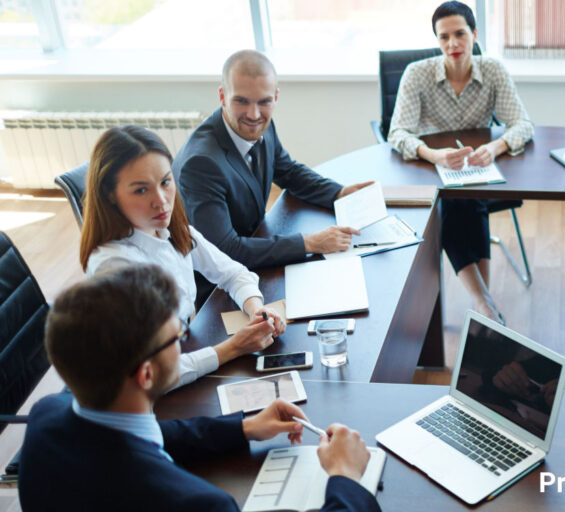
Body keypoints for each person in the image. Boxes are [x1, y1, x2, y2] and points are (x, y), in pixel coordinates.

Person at [18, 265, 380, 511]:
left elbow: (135, 437)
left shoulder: (45, 417)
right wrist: (345, 477)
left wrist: (242, 428)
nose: (183, 343)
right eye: (176, 337)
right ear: (146, 375)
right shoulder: (197, 505)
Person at [79, 125, 284, 388]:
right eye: (141, 190)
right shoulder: (114, 266)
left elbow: (233, 272)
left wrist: (258, 310)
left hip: (186, 351)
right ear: (110, 196)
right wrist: (234, 348)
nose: (162, 201)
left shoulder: (169, 228)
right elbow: (153, 375)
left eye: (165, 182)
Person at [387, 1, 534, 323]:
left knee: (468, 199)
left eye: (460, 34)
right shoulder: (417, 73)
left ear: (474, 34)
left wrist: (495, 147)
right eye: (444, 37)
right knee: (456, 202)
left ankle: (483, 306)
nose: (452, 44)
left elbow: (523, 125)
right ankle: (485, 304)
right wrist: (433, 154)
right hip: (428, 169)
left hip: (476, 167)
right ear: (437, 40)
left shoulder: (493, 70)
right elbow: (397, 133)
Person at [174, 49, 373, 269]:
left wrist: (339, 193)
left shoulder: (262, 127)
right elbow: (225, 250)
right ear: (222, 96)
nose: (254, 114)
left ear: (275, 97)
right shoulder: (201, 164)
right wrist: (310, 243)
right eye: (241, 101)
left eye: (264, 102)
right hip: (219, 281)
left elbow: (288, 171)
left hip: (256, 244)